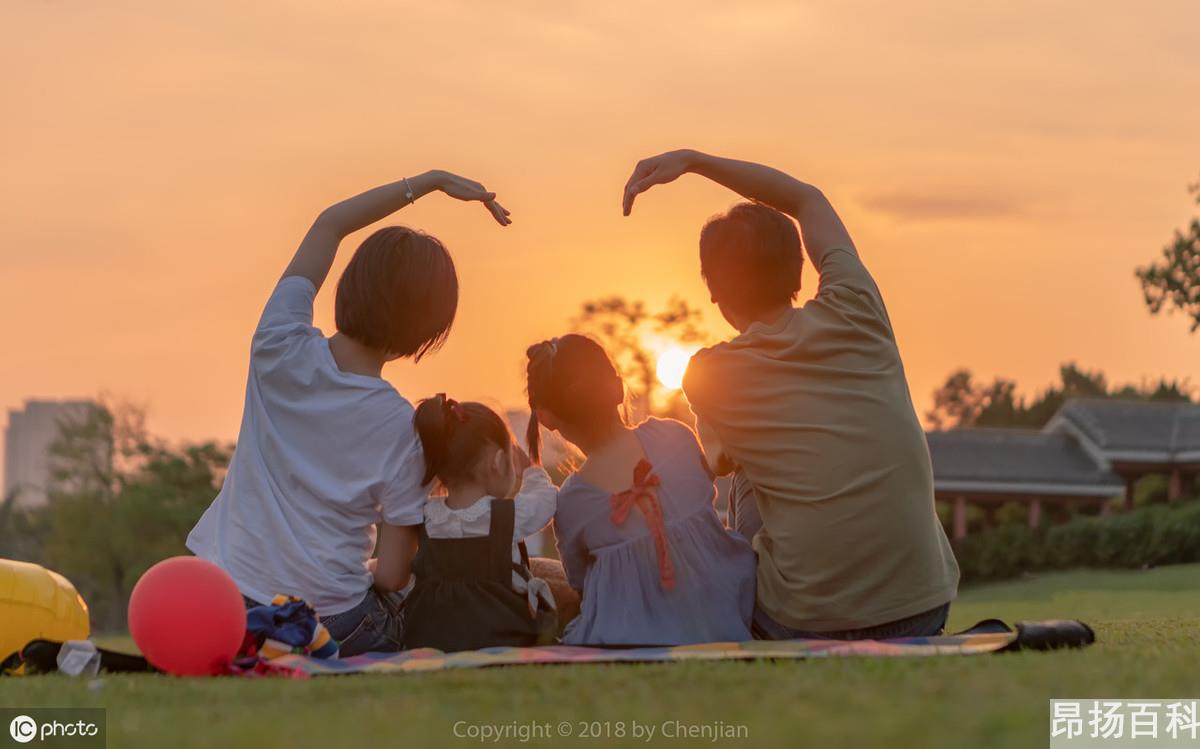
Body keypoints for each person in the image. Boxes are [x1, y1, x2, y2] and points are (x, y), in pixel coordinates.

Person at [622, 149, 959, 640]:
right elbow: (806, 198)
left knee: (741, 468)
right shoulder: (856, 306)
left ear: (713, 292)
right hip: (924, 607)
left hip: (806, 622)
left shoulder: (711, 374)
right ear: (801, 271)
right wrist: (694, 162)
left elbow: (715, 464)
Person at [186, 170, 510, 656]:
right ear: (424, 333)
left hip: (227, 603)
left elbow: (329, 224)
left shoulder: (277, 345)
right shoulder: (407, 428)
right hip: (329, 623)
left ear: (350, 284)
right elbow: (395, 573)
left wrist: (429, 182)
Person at [526, 334, 756, 645]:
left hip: (630, 637)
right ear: (618, 388)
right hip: (725, 613)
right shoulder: (674, 436)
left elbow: (581, 584)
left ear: (547, 419)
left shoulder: (573, 501)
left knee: (538, 574)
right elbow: (701, 493)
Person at [402, 394, 558, 652]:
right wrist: (531, 469)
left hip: (431, 634)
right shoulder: (502, 517)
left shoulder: (427, 516)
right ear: (497, 462)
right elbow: (545, 499)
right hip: (499, 631)